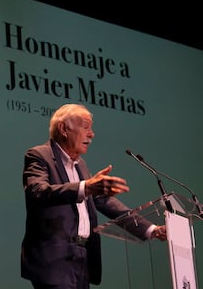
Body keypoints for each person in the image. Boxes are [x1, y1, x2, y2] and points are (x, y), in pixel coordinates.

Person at [20, 103, 166, 289]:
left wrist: (151, 229)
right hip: (54, 261)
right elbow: (37, 191)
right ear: (64, 129)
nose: (92, 134)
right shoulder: (39, 155)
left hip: (83, 259)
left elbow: (104, 202)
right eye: (86, 127)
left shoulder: (81, 165)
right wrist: (86, 187)